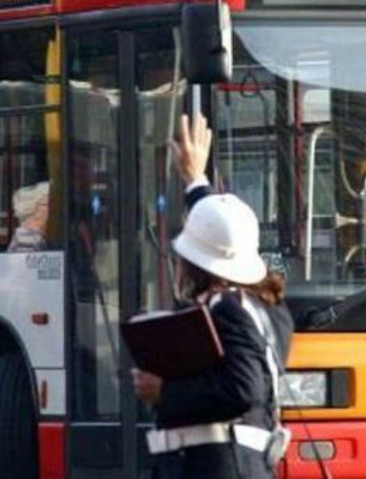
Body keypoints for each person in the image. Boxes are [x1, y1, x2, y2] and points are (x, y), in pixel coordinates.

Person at [132, 113, 294, 479]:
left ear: (196, 264)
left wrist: (164, 392)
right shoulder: (270, 308)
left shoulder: (226, 310)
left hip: (216, 467)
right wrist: (196, 181)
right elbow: (224, 233)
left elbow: (243, 387)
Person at [8, 181, 50, 252]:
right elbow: (25, 262)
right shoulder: (27, 239)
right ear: (32, 208)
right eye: (48, 204)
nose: (52, 208)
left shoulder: (32, 236)